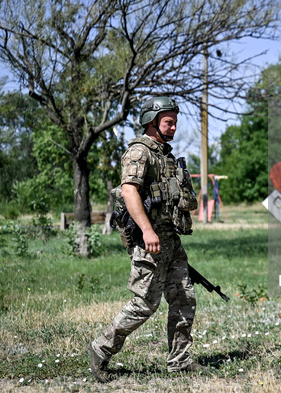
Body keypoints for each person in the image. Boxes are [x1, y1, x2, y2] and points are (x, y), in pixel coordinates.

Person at [88, 97, 206, 383]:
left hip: (170, 239)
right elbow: (129, 192)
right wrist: (148, 231)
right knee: (144, 304)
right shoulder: (140, 152)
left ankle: (180, 360)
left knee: (184, 298)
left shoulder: (163, 154)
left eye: (175, 121)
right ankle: (100, 349)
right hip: (150, 240)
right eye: (168, 121)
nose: (174, 127)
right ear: (152, 122)